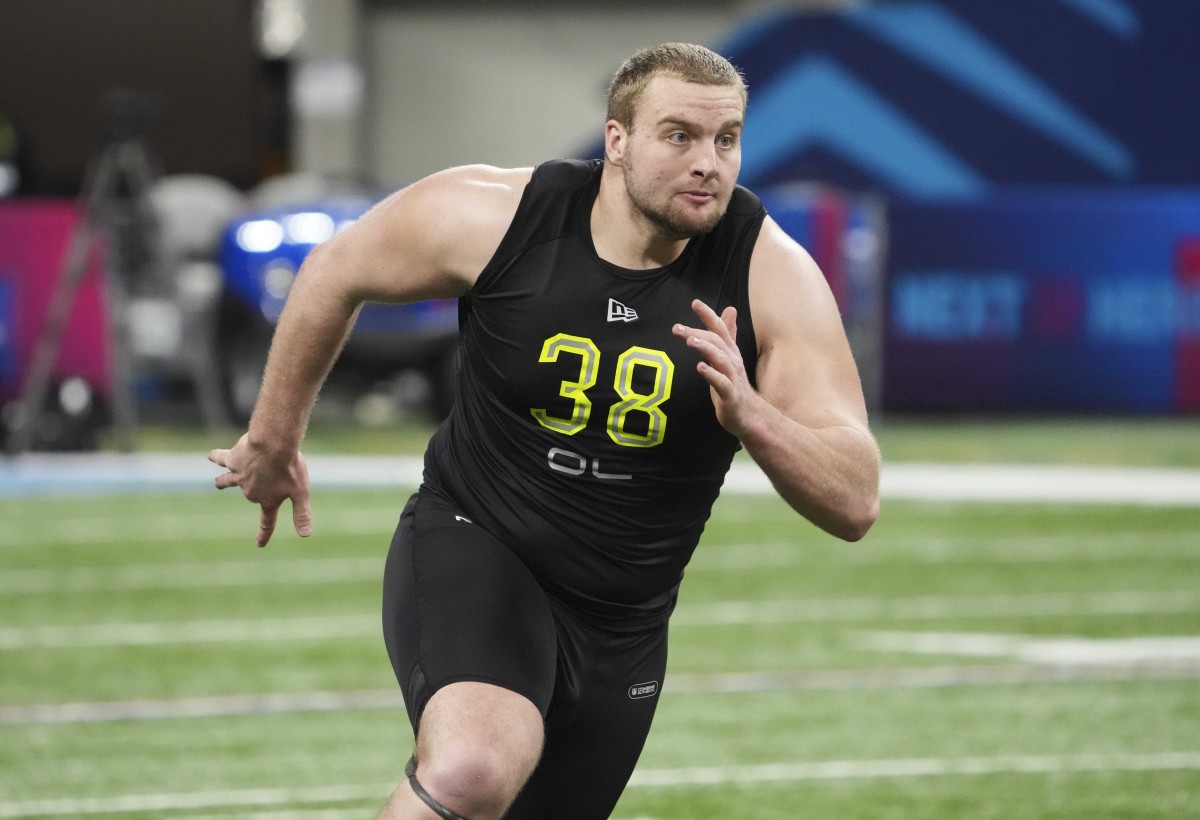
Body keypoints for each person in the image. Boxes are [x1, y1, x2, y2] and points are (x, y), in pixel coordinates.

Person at [209, 42, 880, 820]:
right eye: (679, 136)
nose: (708, 163)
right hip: (482, 541)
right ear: (617, 140)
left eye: (726, 139)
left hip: (624, 617)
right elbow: (336, 267)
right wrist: (274, 439)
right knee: (470, 772)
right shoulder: (504, 216)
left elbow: (855, 500)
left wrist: (754, 418)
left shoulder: (769, 273)